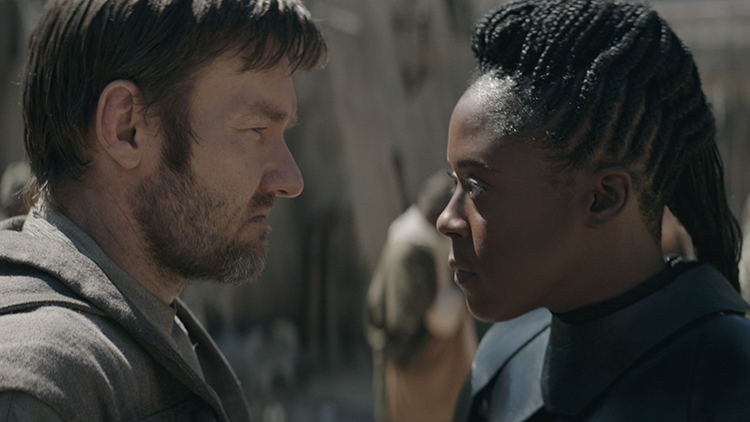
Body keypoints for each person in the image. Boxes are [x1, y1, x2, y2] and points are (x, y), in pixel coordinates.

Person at [0, 0, 327, 420]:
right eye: (255, 130)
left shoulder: (147, 325)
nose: (291, 180)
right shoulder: (38, 390)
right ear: (127, 128)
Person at [437, 0, 750, 420]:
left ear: (603, 197)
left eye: (476, 186)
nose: (446, 219)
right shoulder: (501, 362)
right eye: (455, 181)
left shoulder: (730, 387)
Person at [365, 171, 477, 422]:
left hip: (440, 356)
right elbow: (403, 319)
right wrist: (431, 337)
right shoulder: (408, 250)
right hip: (415, 360)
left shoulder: (433, 242)